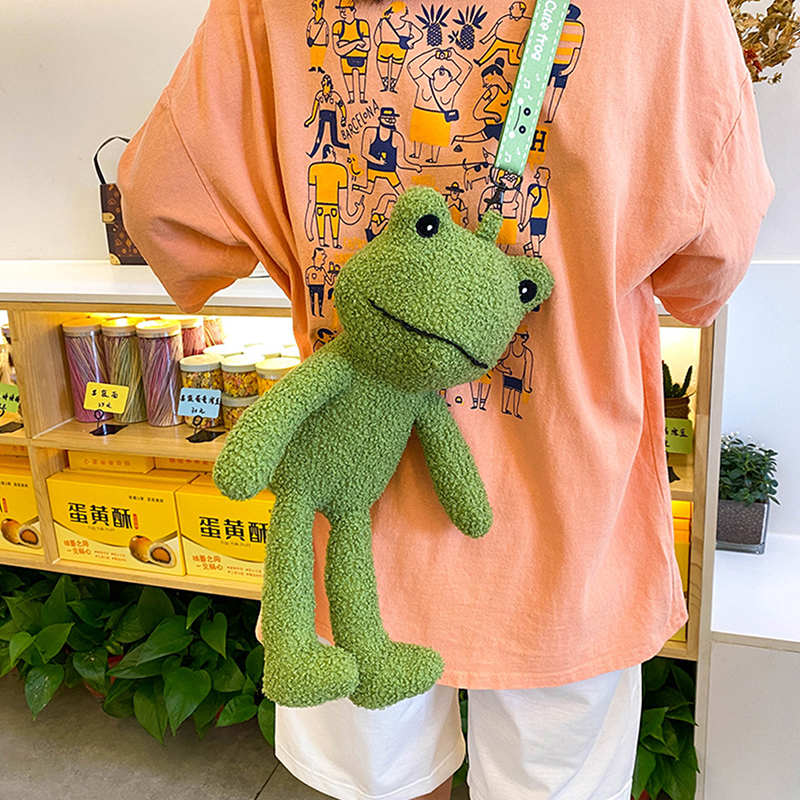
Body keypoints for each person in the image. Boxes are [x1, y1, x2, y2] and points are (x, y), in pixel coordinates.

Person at [118, 1, 773, 798]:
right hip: (566, 532)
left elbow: (162, 208)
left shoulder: (264, 10)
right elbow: (710, 267)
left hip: (355, 526)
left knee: (380, 783)